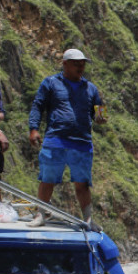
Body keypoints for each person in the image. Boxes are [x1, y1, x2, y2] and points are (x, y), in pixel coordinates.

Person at [27, 49, 107, 227]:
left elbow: (100, 112)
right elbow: (38, 106)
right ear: (65, 64)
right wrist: (33, 129)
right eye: (76, 64)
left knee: (83, 183)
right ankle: (40, 215)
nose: (80, 67)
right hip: (55, 140)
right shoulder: (50, 83)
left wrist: (101, 118)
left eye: (83, 64)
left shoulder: (91, 88)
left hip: (82, 143)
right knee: (47, 179)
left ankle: (88, 219)